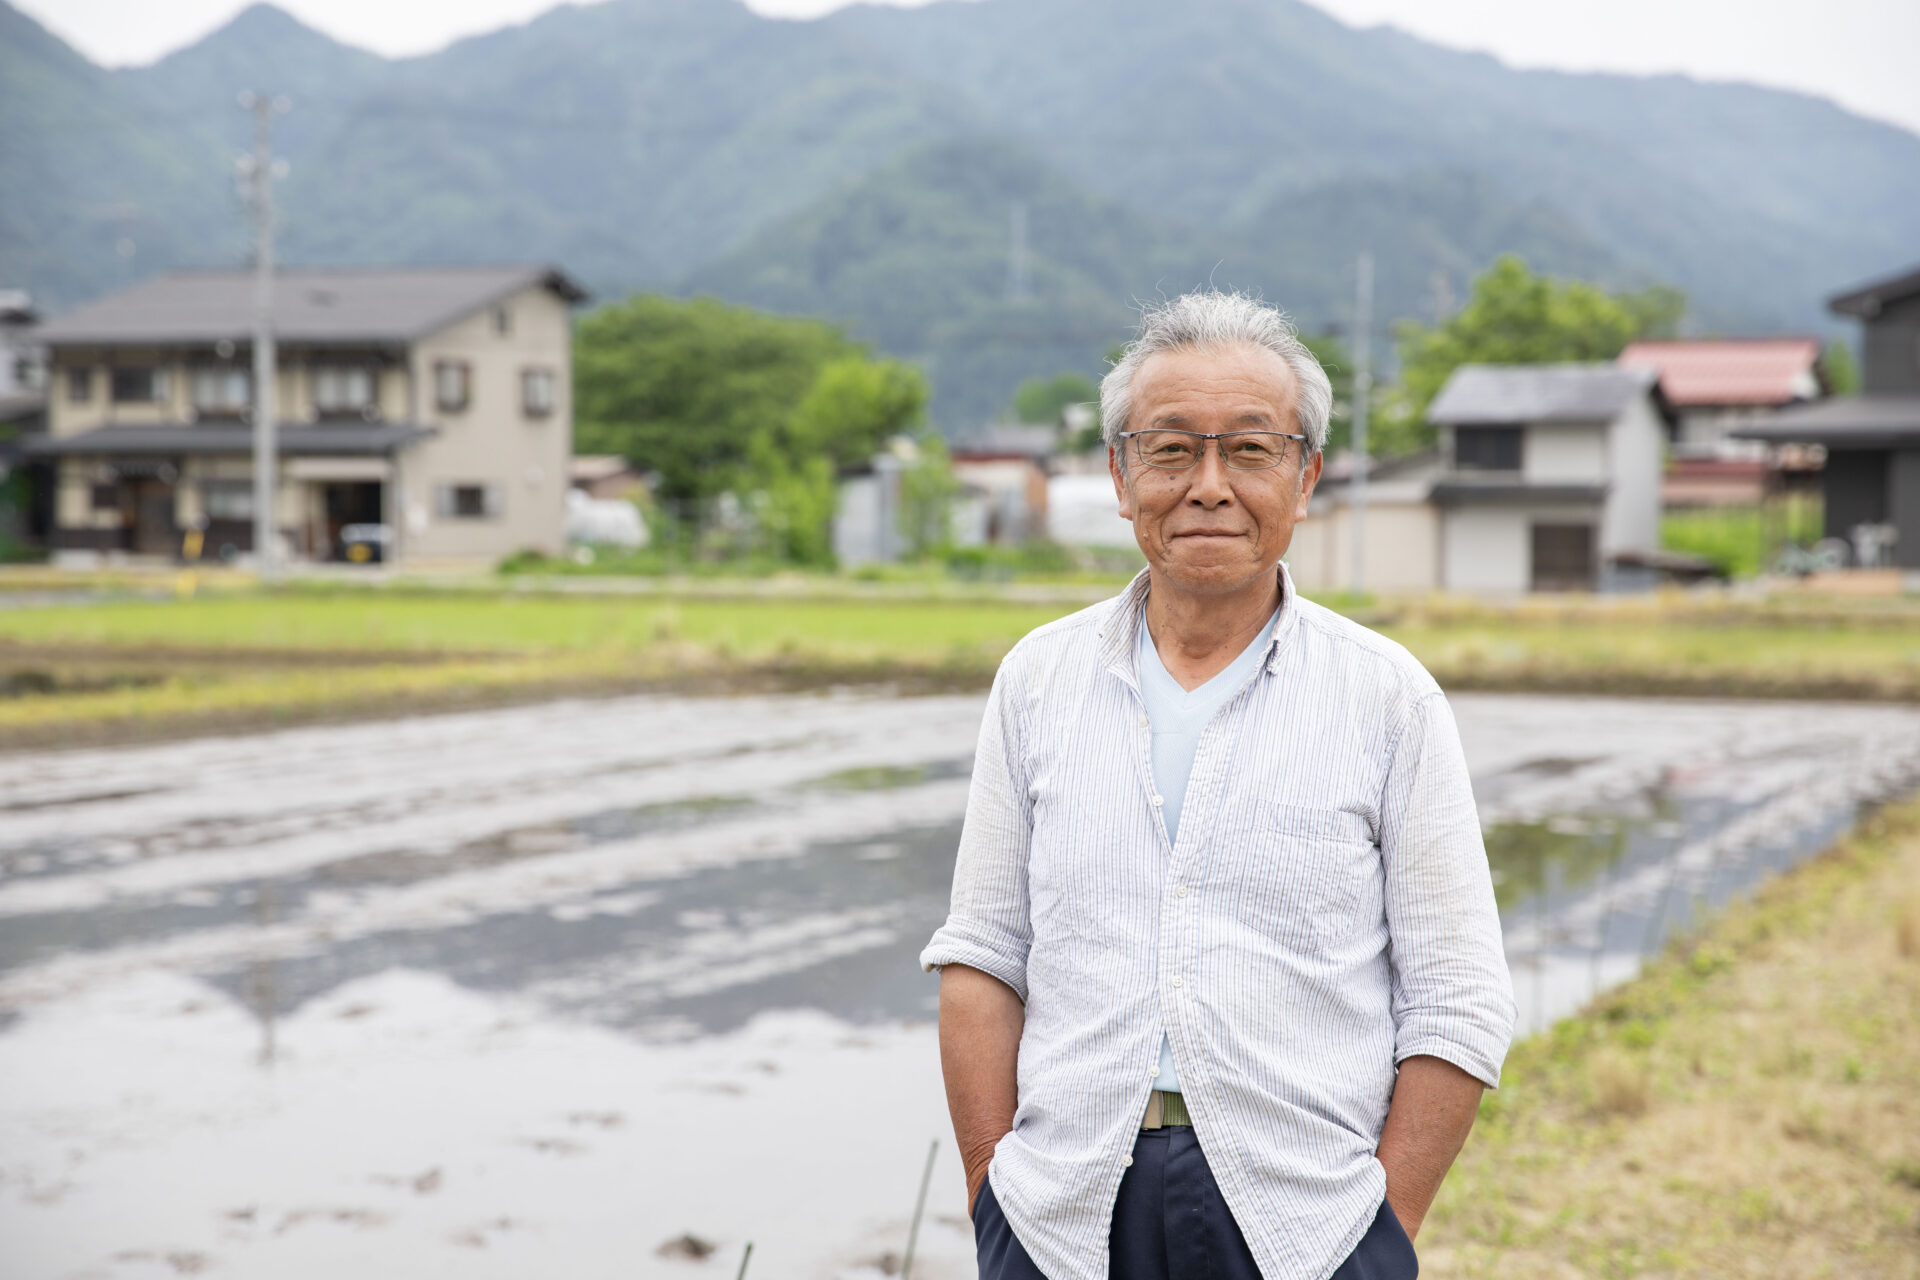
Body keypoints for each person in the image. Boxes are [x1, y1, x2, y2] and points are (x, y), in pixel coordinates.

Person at [921, 291, 1514, 1280]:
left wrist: (1383, 1224)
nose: (1208, 485)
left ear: (1306, 474)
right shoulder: (1039, 678)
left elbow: (1458, 993)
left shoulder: (1386, 697)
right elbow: (984, 954)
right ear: (1119, 473)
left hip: (1306, 1218)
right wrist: (994, 1195)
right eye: (1170, 449)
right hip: (1061, 1211)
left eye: (1248, 449)